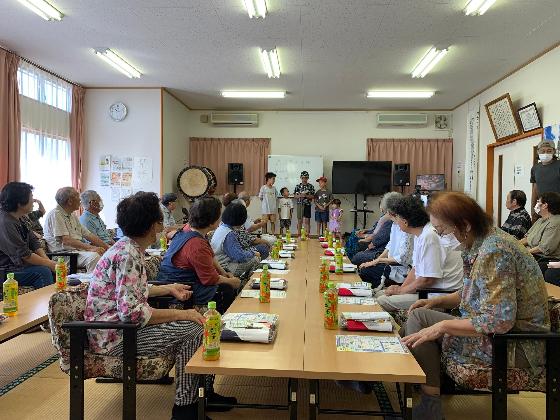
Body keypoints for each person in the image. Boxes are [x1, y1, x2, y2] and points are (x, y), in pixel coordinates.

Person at [84, 192, 236, 419]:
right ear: (153, 225)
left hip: (113, 329)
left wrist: (168, 288)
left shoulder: (127, 247)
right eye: (159, 221)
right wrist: (181, 315)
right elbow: (132, 314)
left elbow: (130, 292)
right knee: (195, 328)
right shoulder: (128, 254)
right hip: (115, 338)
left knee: (196, 324)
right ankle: (186, 409)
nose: (161, 226)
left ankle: (201, 396)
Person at [400, 192, 549, 420]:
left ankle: (429, 403)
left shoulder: (494, 250)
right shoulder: (482, 242)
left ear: (465, 225)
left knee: (419, 323)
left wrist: (444, 327)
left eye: (443, 230)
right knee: (416, 321)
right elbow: (472, 291)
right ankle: (419, 394)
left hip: (515, 345)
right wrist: (438, 300)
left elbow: (499, 320)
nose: (442, 235)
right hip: (495, 333)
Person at [376, 195, 463, 313]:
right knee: (378, 294)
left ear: (405, 222)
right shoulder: (420, 234)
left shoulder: (429, 235)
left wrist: (401, 291)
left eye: (396, 217)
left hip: (440, 295)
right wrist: (401, 289)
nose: (395, 221)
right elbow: (415, 269)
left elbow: (427, 280)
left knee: (381, 301)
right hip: (428, 290)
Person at [157, 197, 241, 314]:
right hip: (180, 290)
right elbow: (210, 279)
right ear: (212, 221)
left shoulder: (189, 230)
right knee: (228, 288)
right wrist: (233, 282)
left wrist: (223, 272)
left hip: (183, 279)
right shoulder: (196, 244)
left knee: (227, 280)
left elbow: (210, 256)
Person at [0, 182, 55, 288]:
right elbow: (24, 254)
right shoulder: (5, 222)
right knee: (43, 272)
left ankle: (57, 301)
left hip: (19, 266)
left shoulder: (21, 216)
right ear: (20, 203)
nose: (33, 202)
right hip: (6, 270)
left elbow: (33, 241)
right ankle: (46, 304)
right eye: (31, 198)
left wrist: (47, 261)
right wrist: (48, 264)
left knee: (54, 268)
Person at [43, 187, 109, 273]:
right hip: (63, 256)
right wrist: (91, 248)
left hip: (76, 252)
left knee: (105, 254)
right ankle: (92, 285)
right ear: (70, 201)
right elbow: (66, 241)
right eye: (78, 198)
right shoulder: (56, 214)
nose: (80, 201)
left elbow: (88, 235)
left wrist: (107, 248)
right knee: (94, 257)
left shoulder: (72, 215)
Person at [358, 194, 414, 288]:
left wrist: (377, 261)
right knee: (365, 266)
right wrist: (376, 260)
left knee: (366, 269)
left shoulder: (406, 227)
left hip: (401, 268)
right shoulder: (395, 224)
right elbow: (390, 245)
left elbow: (402, 258)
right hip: (390, 262)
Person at [210, 202, 261, 278]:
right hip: (225, 267)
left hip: (219, 264)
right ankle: (246, 284)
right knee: (255, 259)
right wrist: (253, 253)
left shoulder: (221, 227)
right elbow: (239, 256)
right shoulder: (229, 234)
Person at [351, 192, 399, 267]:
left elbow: (379, 238)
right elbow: (375, 230)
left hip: (379, 250)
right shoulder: (389, 219)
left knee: (357, 256)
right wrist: (366, 231)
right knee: (355, 235)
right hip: (381, 249)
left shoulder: (390, 220)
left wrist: (369, 240)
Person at [520, 191, 560, 275]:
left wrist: (523, 252)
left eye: (538, 202)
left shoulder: (555, 222)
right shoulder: (539, 220)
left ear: (545, 205)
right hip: (532, 253)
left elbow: (544, 248)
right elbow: (527, 238)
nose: (536, 204)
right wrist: (514, 245)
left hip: (547, 258)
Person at [530, 139, 560, 215]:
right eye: (542, 151)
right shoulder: (535, 168)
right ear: (538, 152)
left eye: (549, 151)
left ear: (554, 151)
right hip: (542, 208)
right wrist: (533, 208)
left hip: (557, 208)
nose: (546, 153)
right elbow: (535, 188)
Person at [293, 171, 315, 236]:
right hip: (300, 204)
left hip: (307, 205)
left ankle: (307, 234)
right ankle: (299, 234)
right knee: (300, 220)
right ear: (300, 178)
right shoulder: (298, 186)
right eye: (303, 178)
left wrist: (305, 196)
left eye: (306, 178)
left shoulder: (310, 186)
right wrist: (300, 195)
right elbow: (294, 196)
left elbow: (313, 196)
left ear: (308, 178)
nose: (304, 179)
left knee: (307, 221)